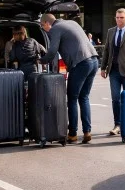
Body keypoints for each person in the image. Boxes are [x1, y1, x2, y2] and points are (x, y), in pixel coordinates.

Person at [39, 14, 99, 144]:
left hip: (81, 63)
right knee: (84, 97)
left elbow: (52, 50)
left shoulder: (55, 29)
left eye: (42, 26)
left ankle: (72, 133)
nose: (43, 29)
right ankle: (87, 132)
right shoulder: (72, 23)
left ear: (47, 23)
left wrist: (41, 60)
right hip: (93, 60)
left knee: (72, 98)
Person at [100, 8, 125, 137]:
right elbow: (107, 50)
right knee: (115, 99)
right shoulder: (111, 31)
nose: (119, 20)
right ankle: (117, 124)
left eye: (121, 17)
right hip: (113, 70)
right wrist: (103, 67)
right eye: (117, 17)